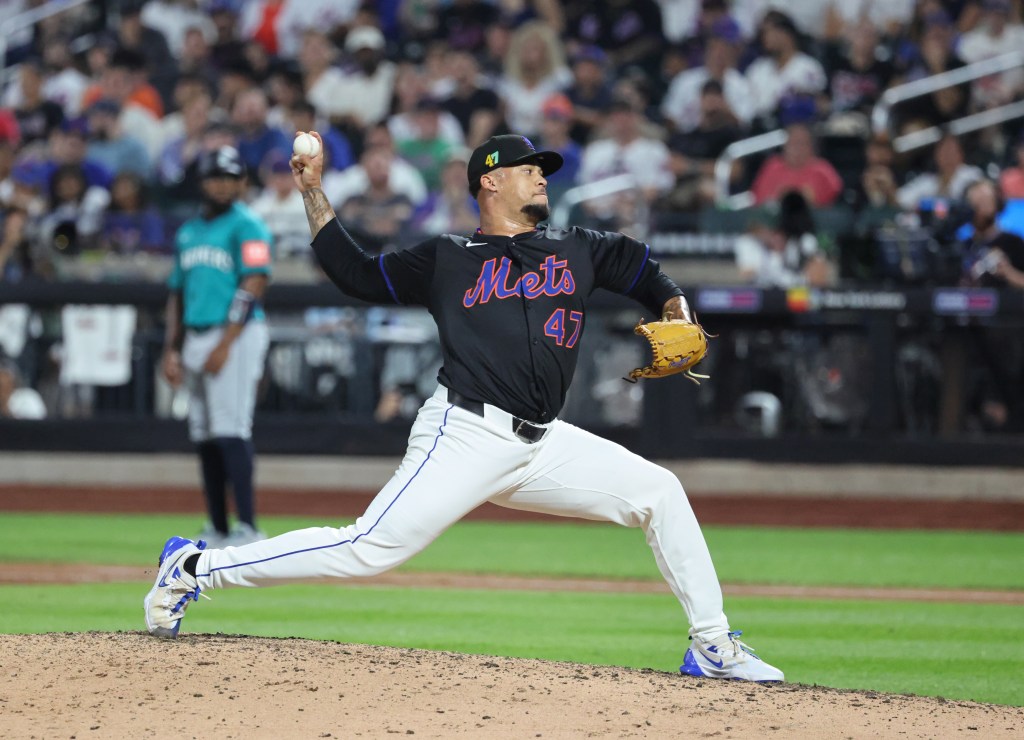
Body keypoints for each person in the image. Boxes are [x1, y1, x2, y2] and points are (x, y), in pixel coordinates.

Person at [143, 132, 785, 684]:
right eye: (529, 168)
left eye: (543, 169)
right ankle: (195, 566)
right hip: (466, 434)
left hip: (542, 444)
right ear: (491, 182)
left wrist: (672, 303)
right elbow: (358, 275)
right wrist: (314, 193)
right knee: (369, 547)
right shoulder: (448, 258)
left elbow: (643, 268)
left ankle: (713, 646)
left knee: (660, 492)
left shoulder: (577, 246)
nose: (541, 176)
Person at [159, 145, 273, 550]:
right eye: (216, 177)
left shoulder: (250, 225)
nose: (224, 185)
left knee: (230, 427)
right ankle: (217, 526)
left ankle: (247, 526)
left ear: (242, 183)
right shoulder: (188, 232)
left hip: (237, 334)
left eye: (231, 177)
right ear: (203, 181)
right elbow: (176, 293)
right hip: (195, 333)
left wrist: (226, 342)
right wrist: (170, 349)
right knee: (205, 433)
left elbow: (254, 282)